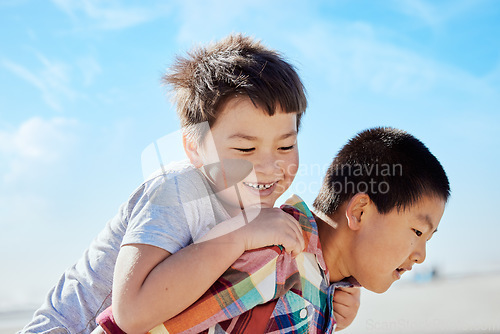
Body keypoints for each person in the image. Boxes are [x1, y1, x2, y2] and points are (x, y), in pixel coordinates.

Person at [18, 34, 359, 334]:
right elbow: (132, 313)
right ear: (195, 148)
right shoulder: (179, 190)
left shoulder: (248, 206)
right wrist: (239, 236)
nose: (270, 166)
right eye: (245, 148)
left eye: (286, 146)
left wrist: (328, 300)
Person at [96, 126, 450, 334]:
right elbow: (152, 325)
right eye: (418, 232)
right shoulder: (273, 254)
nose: (420, 256)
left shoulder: (326, 285)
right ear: (358, 211)